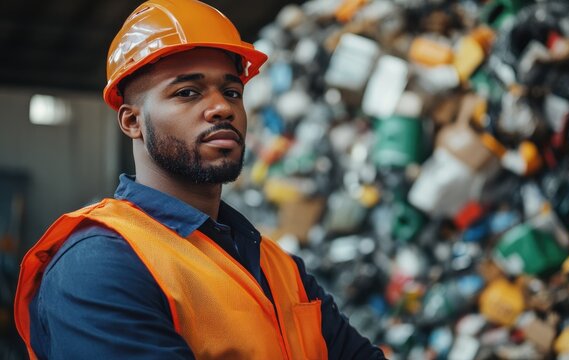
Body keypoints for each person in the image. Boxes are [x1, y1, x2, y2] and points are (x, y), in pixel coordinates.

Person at [14, 0, 386, 359]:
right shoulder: (99, 265)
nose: (223, 108)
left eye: (232, 92)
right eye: (187, 92)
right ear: (132, 122)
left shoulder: (278, 267)